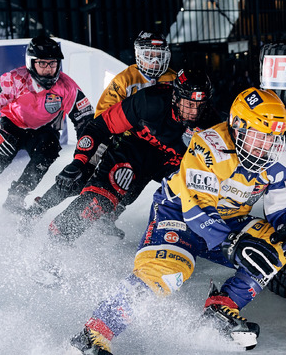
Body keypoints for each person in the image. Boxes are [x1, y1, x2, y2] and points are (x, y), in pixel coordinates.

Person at [68, 87, 286, 355]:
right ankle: (93, 333)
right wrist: (233, 243)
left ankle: (222, 308)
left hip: (228, 221)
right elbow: (196, 208)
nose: (265, 148)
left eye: (273, 139)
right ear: (237, 128)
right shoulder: (208, 145)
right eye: (259, 137)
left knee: (276, 246)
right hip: (178, 213)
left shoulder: (282, 159)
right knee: (168, 273)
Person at [18, 31, 176, 235]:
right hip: (116, 137)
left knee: (133, 180)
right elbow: (103, 117)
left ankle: (109, 216)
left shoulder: (173, 78)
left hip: (148, 145)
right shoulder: (125, 79)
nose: (154, 62)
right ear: (139, 56)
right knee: (79, 175)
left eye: (159, 56)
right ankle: (40, 207)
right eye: (148, 56)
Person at [42, 68, 220, 246]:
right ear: (175, 97)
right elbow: (99, 126)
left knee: (199, 194)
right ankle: (57, 237)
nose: (194, 112)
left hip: (172, 163)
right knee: (101, 198)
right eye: (189, 104)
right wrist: (79, 161)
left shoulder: (212, 124)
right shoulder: (149, 101)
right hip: (135, 148)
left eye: (200, 105)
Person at [0, 36, 94, 216]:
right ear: (31, 63)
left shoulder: (68, 87)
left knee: (49, 150)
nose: (48, 70)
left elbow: (85, 120)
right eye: (42, 64)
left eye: (52, 64)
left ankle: (16, 196)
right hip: (11, 125)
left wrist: (85, 155)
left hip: (44, 129)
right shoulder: (13, 79)